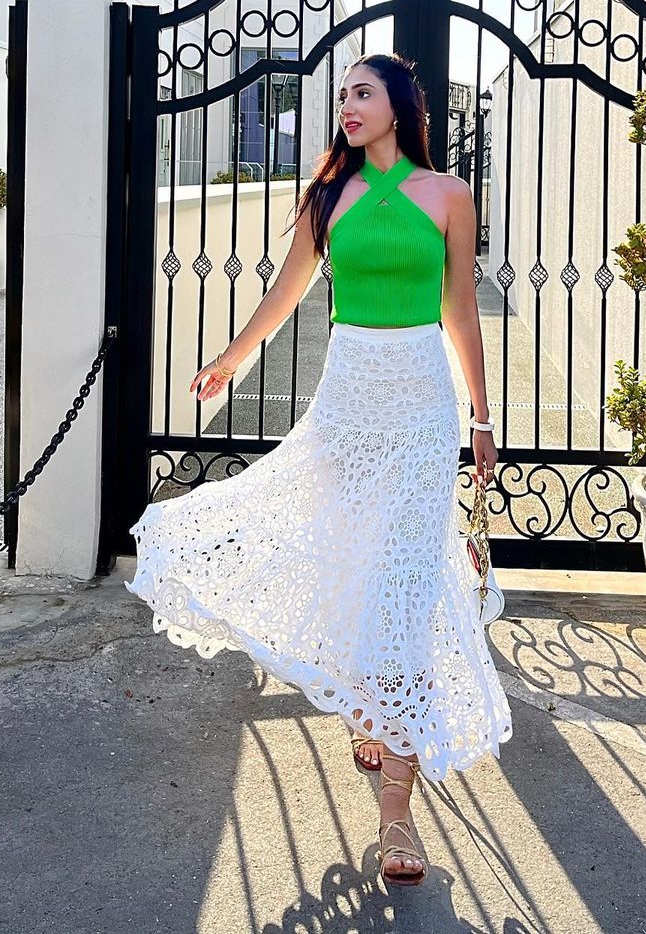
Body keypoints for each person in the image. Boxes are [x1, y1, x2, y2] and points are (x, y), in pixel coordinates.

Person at [124, 50, 513, 888]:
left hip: (420, 404)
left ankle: (397, 806)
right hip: (347, 402)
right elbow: (288, 290)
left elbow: (458, 307)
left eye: (362, 93)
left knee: (406, 583)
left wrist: (481, 414)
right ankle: (369, 701)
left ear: (400, 105)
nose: (347, 106)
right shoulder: (328, 193)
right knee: (352, 563)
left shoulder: (449, 194)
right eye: (343, 95)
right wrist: (231, 358)